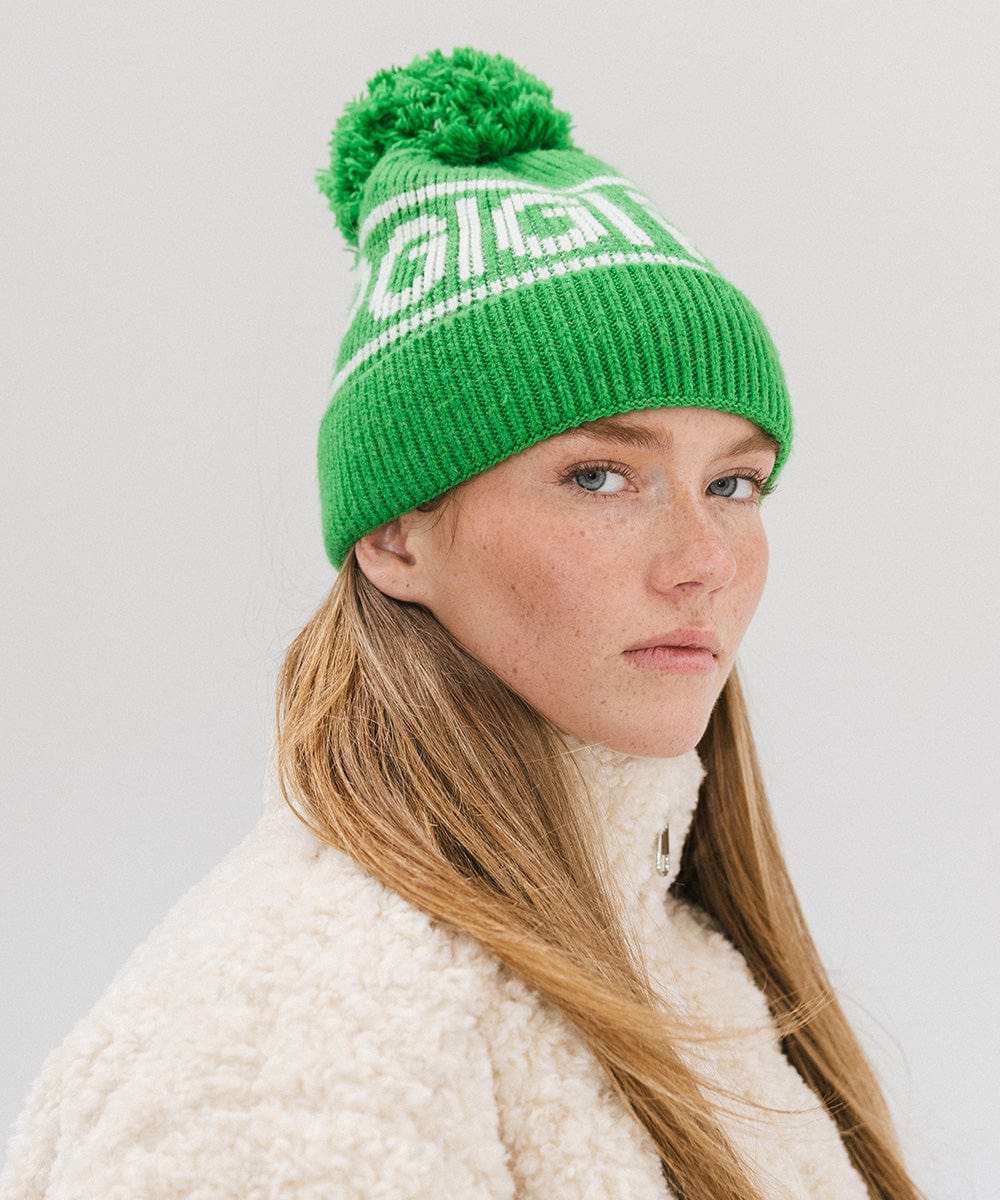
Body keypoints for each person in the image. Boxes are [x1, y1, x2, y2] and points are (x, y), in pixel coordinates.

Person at [1, 47, 924, 1200]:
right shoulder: (303, 1041)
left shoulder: (686, 963)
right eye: (599, 476)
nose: (702, 563)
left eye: (734, 484)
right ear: (397, 535)